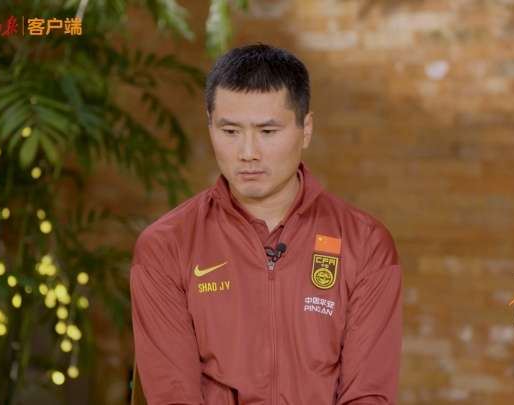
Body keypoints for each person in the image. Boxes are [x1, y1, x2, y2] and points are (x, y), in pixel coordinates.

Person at [130, 43, 402, 405]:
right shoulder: (167, 246)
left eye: (268, 132)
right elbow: (173, 397)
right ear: (210, 126)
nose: (248, 153)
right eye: (230, 131)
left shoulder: (365, 244)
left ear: (306, 129)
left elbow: (367, 394)